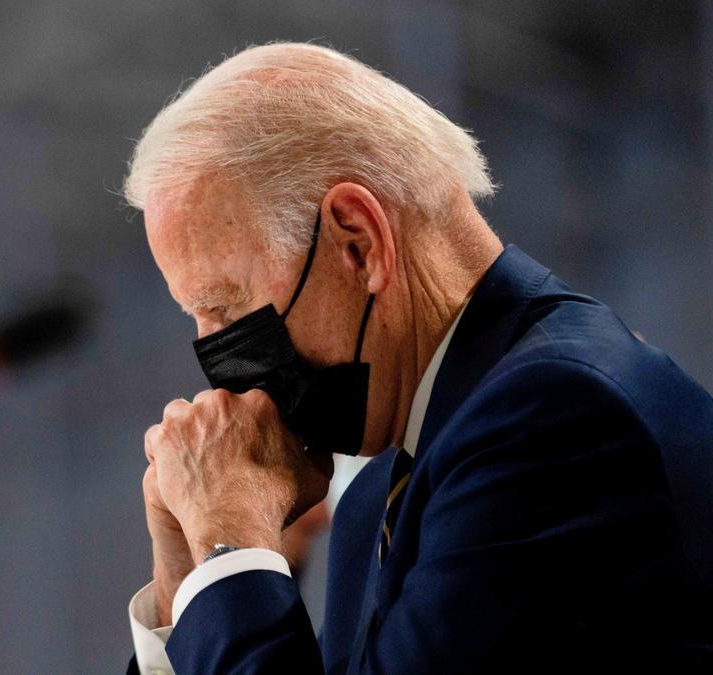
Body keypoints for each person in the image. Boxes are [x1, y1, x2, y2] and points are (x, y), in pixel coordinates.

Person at [122, 42, 713, 674]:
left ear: (359, 243)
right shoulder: (379, 495)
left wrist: (228, 545)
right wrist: (184, 569)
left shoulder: (551, 419)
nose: (216, 359)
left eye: (225, 309)